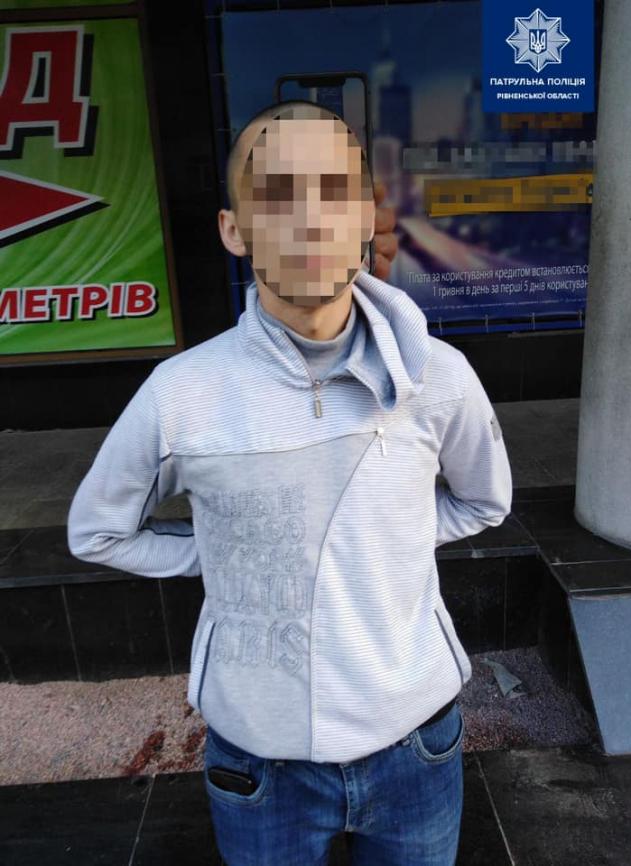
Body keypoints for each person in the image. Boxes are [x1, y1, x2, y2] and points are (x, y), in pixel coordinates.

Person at [67, 99, 513, 866]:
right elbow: (97, 531)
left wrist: (386, 536)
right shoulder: (181, 394)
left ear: (368, 216)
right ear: (234, 230)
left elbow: (482, 500)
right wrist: (227, 552)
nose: (309, 219)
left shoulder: (437, 377)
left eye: (334, 190)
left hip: (417, 744)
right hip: (259, 765)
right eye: (277, 194)